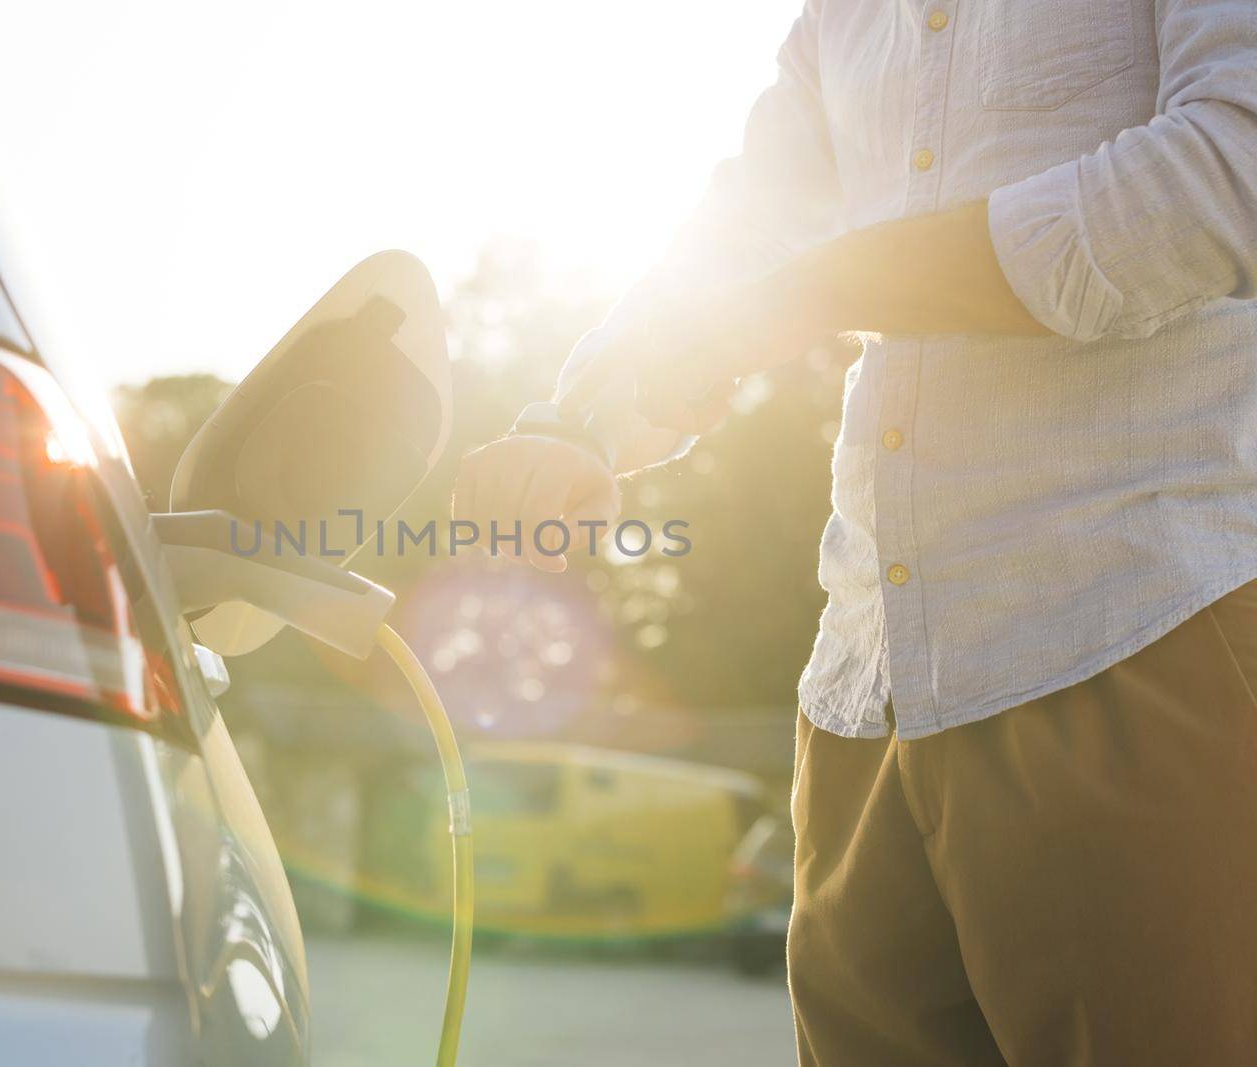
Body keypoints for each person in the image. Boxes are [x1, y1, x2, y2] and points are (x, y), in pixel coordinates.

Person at [453, 1, 1257, 1062]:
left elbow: (1222, 177)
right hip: (862, 693)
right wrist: (575, 419)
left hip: (1130, 626)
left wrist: (817, 289)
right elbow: (741, 232)